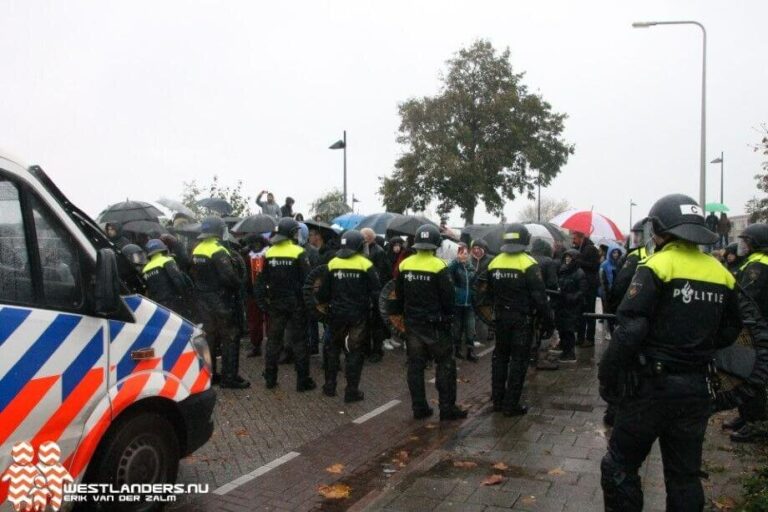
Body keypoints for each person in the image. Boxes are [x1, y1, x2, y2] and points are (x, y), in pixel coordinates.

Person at [599, 194, 741, 512]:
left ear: (661, 230)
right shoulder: (721, 272)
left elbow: (630, 330)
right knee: (685, 477)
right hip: (695, 391)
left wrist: (607, 378)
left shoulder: (656, 265)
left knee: (619, 466)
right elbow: (733, 330)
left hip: (649, 389)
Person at [477, 224, 554, 416]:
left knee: (499, 358)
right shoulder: (528, 263)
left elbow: (485, 293)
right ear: (525, 240)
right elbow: (540, 297)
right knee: (518, 361)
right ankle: (511, 405)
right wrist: (548, 321)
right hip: (522, 321)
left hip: (501, 318)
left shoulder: (494, 263)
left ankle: (498, 401)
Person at [394, 224, 467, 421]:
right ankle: (447, 408)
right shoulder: (439, 266)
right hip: (436, 326)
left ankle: (419, 408)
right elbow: (448, 299)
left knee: (415, 366)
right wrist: (449, 317)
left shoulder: (404, 265)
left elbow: (398, 295)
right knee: (445, 364)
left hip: (413, 324)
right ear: (436, 245)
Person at [316, 230, 381, 402]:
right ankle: (351, 391)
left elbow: (322, 293)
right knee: (355, 352)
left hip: (336, 314)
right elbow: (376, 291)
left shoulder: (333, 263)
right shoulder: (365, 264)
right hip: (358, 316)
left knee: (333, 349)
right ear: (359, 245)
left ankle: (329, 386)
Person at [254, 218, 316, 392]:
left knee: (273, 342)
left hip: (275, 304)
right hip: (296, 304)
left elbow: (261, 280)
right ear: (291, 233)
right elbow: (308, 280)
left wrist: (262, 303)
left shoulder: (270, 252)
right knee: (300, 342)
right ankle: (303, 381)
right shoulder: (299, 252)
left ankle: (270, 378)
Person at [190, 217, 249, 389]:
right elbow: (229, 277)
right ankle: (229, 378)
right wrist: (240, 283)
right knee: (230, 337)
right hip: (221, 302)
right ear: (218, 231)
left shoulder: (197, 249)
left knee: (210, 339)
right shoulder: (218, 250)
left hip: (203, 301)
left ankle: (209, 375)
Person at [725, 223, 768, 442]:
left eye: (746, 241)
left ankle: (756, 422)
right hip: (756, 327)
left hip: (755, 328)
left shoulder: (758, 265)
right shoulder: (753, 262)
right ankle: (746, 416)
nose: (742, 245)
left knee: (751, 374)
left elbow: (748, 296)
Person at [142, 239, 194, 318]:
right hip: (174, 300)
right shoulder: (167, 261)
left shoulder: (145, 269)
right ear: (163, 249)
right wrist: (186, 295)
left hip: (159, 304)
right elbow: (178, 280)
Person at [553, 249, 588, 363]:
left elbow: (582, 291)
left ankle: (570, 353)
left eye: (570, 257)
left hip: (572, 306)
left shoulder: (579, 273)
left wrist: (571, 297)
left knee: (569, 330)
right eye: (566, 257)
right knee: (562, 328)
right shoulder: (563, 270)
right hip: (561, 304)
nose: (567, 259)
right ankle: (564, 350)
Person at [360, 228, 389, 362]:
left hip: (375, 292)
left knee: (376, 324)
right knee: (365, 323)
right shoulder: (361, 251)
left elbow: (382, 273)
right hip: (365, 292)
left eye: (363, 237)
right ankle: (365, 350)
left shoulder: (379, 252)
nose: (361, 239)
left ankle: (377, 351)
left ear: (370, 238)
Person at [242, 234, 270, 357]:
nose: (256, 246)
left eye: (258, 243)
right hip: (252, 292)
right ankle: (256, 346)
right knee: (254, 321)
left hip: (268, 293)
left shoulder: (269, 254)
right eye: (253, 243)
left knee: (270, 320)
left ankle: (272, 346)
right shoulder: (247, 256)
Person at [448, 243, 477, 362]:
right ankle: (457, 350)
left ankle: (470, 351)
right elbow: (448, 272)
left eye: (466, 253)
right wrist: (456, 261)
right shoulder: (454, 266)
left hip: (469, 304)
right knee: (457, 328)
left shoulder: (471, 267)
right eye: (461, 253)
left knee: (470, 328)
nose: (464, 255)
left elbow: (473, 282)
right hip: (457, 303)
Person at [571, 231, 601, 347]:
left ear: (581, 237)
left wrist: (579, 262)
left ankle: (589, 338)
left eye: (575, 238)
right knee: (581, 312)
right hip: (583, 284)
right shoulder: (581, 248)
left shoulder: (591, 249)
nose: (573, 240)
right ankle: (580, 337)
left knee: (589, 312)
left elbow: (594, 266)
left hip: (590, 285)